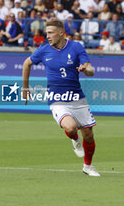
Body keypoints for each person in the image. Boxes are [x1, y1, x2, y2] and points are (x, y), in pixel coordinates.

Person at [22, 18, 100, 177]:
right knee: (70, 127)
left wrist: (86, 70)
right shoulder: (44, 49)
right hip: (57, 98)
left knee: (89, 135)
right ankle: (74, 138)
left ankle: (88, 166)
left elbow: (91, 69)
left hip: (77, 97)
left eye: (50, 33)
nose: (47, 36)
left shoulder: (76, 47)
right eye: (46, 33)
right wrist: (25, 87)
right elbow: (26, 64)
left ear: (61, 33)